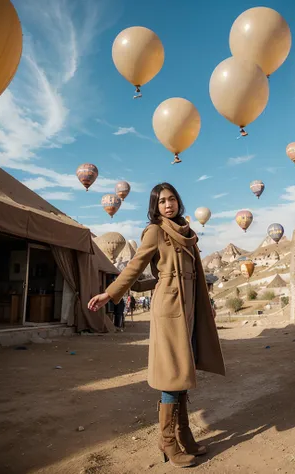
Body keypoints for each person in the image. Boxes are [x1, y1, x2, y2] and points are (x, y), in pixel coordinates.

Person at [88, 182, 225, 468]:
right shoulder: (155, 231)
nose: (168, 205)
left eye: (172, 199)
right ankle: (167, 439)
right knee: (172, 374)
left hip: (189, 309)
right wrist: (110, 293)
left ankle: (184, 435)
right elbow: (134, 267)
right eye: (161, 201)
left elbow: (191, 275)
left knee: (183, 373)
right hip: (170, 310)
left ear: (178, 202)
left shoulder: (187, 233)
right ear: (155, 206)